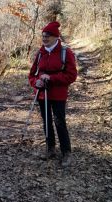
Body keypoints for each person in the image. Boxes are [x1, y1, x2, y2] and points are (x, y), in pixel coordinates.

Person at [28, 21, 77, 166]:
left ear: (56, 37)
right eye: (43, 36)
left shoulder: (65, 53)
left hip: (58, 94)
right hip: (42, 94)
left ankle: (66, 153)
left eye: (47, 36)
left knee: (59, 122)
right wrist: (36, 82)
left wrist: (52, 78)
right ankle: (50, 149)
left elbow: (71, 75)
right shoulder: (40, 53)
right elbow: (32, 74)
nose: (44, 38)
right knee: (46, 121)